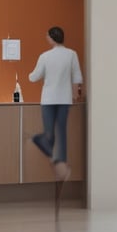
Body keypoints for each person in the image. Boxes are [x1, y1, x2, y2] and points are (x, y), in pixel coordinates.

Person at [29, 26, 83, 182]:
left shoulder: (45, 56)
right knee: (61, 133)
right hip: (64, 99)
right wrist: (75, 96)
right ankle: (62, 167)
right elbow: (77, 77)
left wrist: (28, 75)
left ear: (52, 38)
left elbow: (34, 77)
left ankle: (43, 146)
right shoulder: (72, 54)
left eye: (47, 36)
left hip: (48, 100)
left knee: (49, 134)